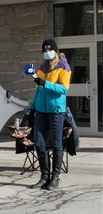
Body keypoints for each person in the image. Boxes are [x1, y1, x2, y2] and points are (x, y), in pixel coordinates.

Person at [29, 38, 71, 190]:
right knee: (39, 142)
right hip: (41, 110)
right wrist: (31, 108)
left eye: (49, 50)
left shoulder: (63, 66)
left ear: (55, 51)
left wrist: (44, 83)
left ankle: (55, 178)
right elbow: (38, 91)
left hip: (56, 110)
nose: (47, 53)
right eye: (45, 51)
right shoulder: (42, 69)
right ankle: (44, 176)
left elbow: (64, 89)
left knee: (56, 143)